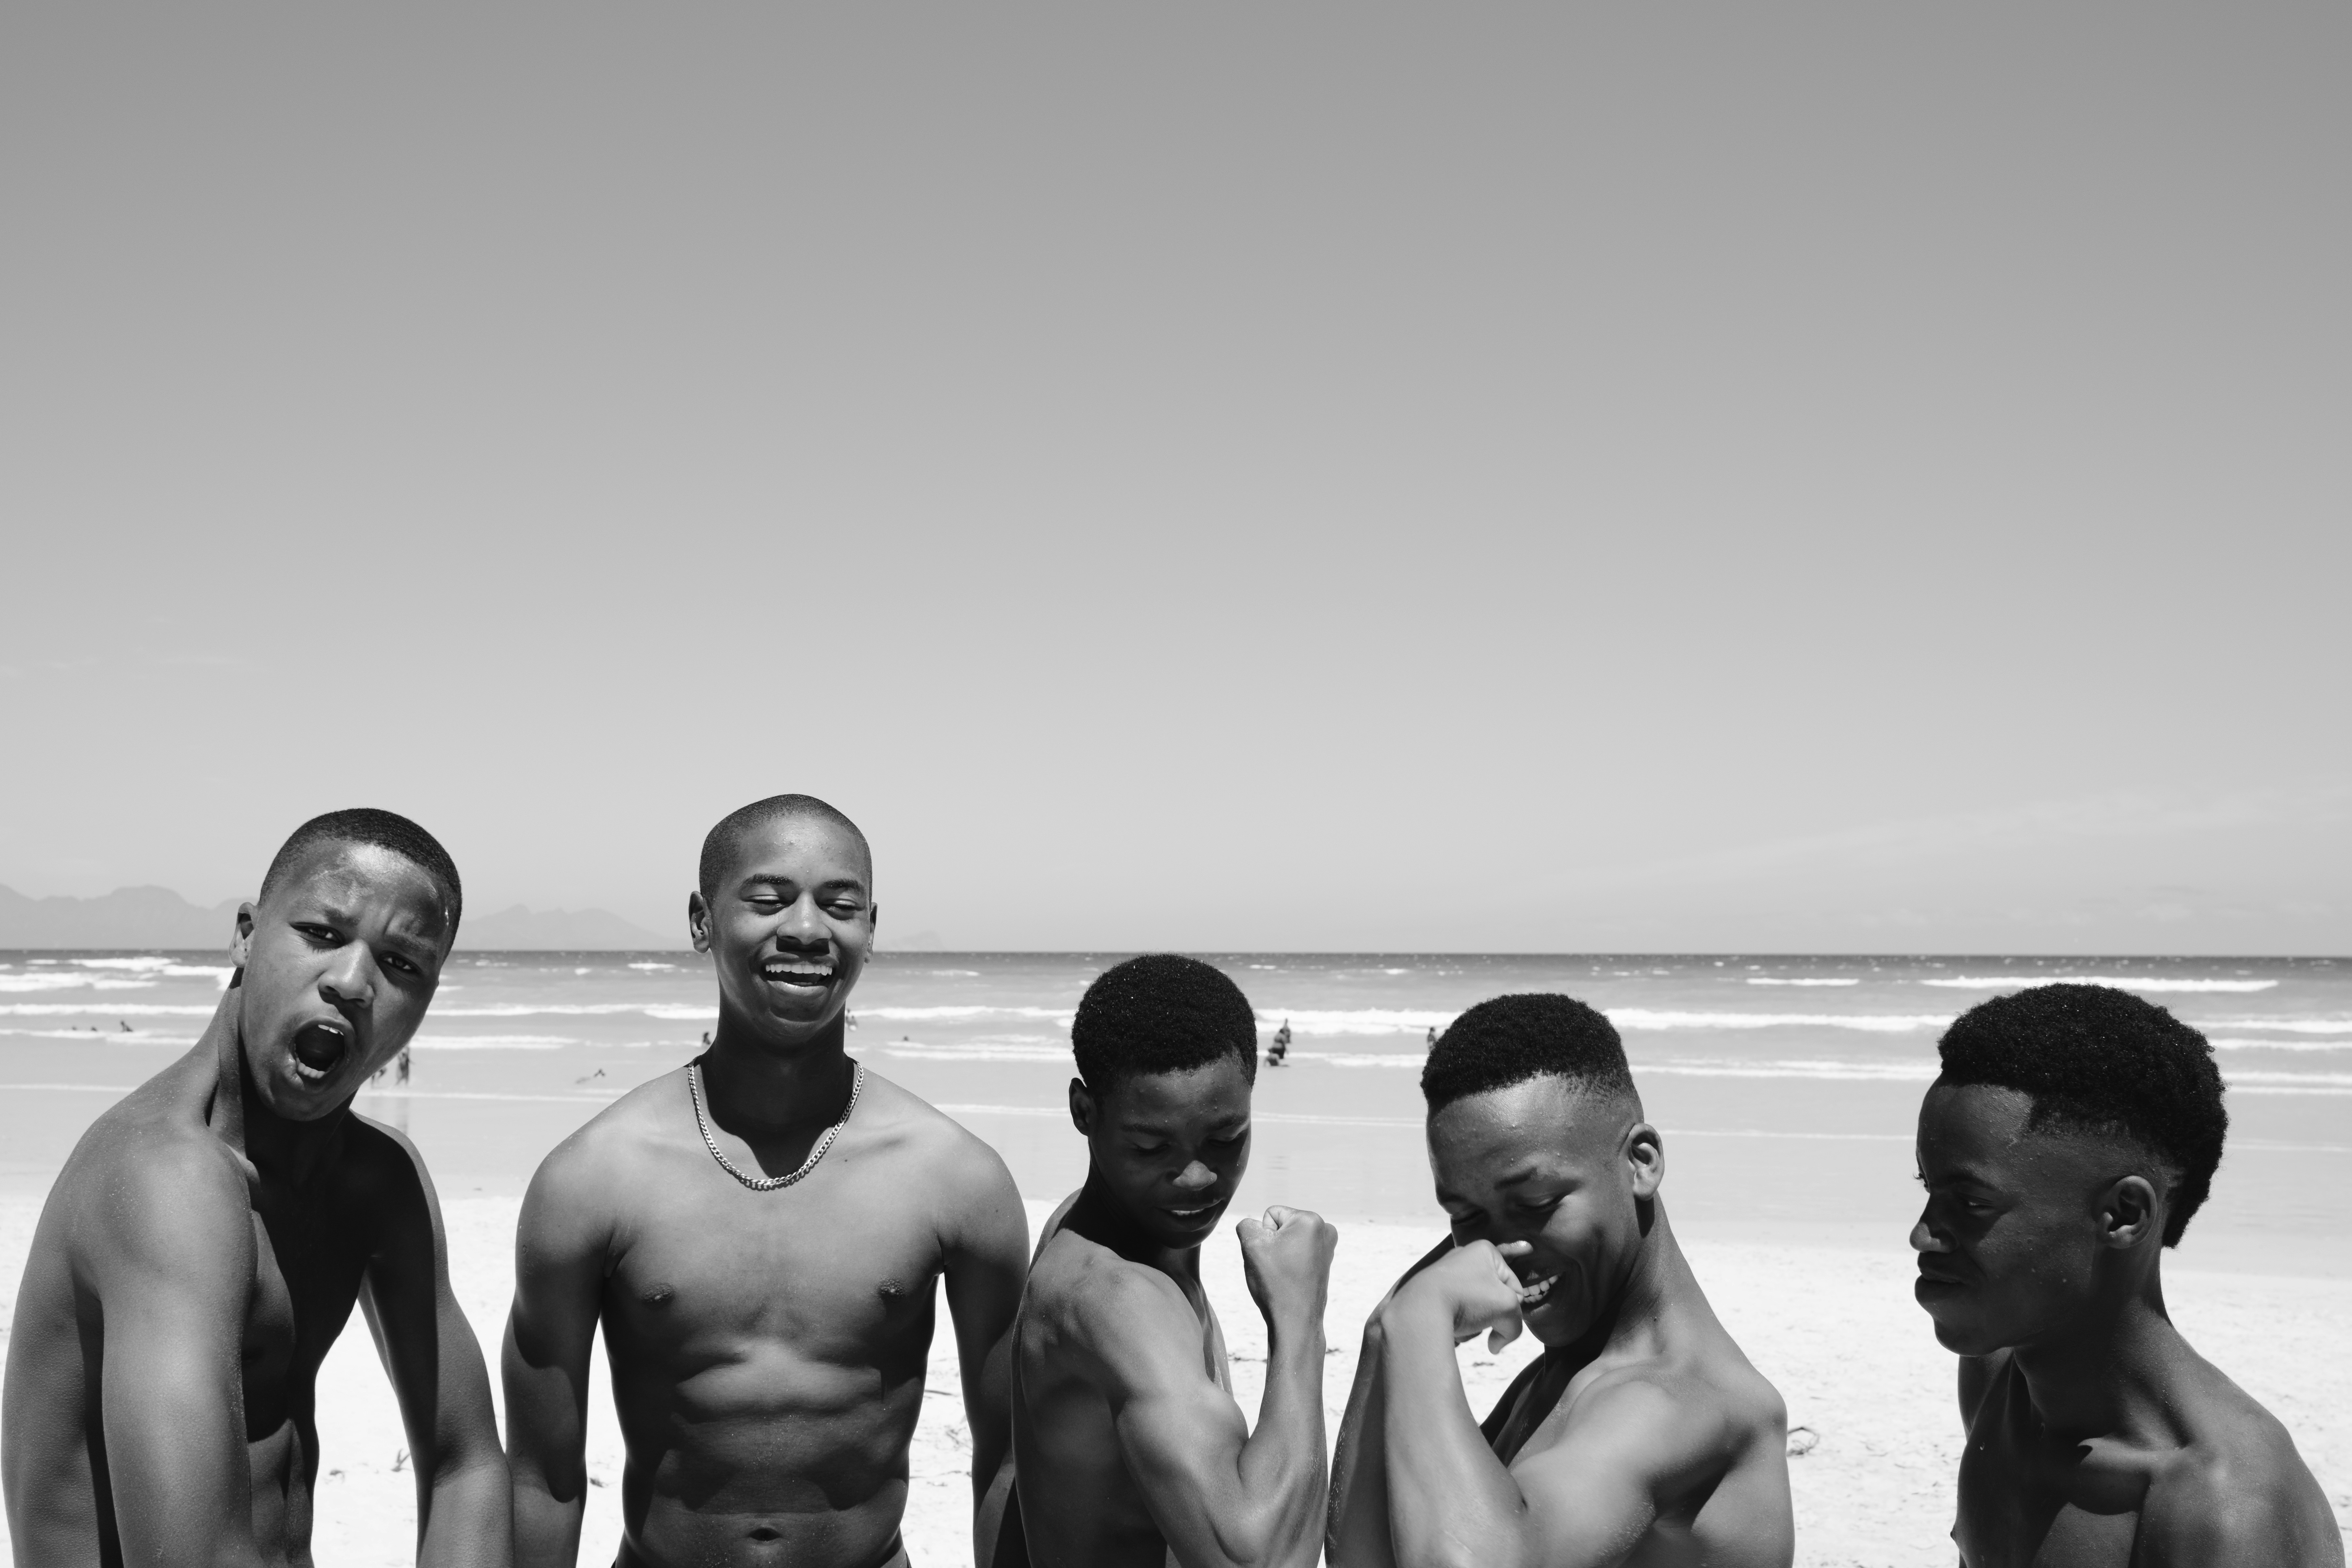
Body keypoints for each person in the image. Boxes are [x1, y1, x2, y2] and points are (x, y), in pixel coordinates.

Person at [505, 794, 1029, 1568]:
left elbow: (1011, 1463)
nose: (810, 930)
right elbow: (541, 1481)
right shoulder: (592, 1179)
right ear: (701, 920)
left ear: (872, 930)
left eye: (841, 906)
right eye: (769, 900)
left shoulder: (956, 1178)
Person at [1, 808, 509, 1566]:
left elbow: (468, 1464)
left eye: (403, 965)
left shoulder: (376, 1184)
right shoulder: (165, 1181)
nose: (352, 982)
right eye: (322, 934)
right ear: (245, 933)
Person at [1328, 993, 1792, 1568]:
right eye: (1467, 1218)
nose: (1503, 1248)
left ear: (1640, 1162)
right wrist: (1384, 1334)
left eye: (1537, 1202)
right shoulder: (1566, 1373)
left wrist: (1421, 1315)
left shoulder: (1683, 1400)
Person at [1911, 984, 2341, 1565]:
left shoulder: (2220, 1511)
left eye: (1971, 1203)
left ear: (2123, 1215)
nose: (1922, 1234)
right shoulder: (2001, 1380)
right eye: (1929, 1190)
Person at [1013, 954, 1337, 1568]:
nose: (1195, 1178)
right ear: (1085, 1113)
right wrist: (1300, 1320)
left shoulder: (1089, 1224)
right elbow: (1262, 1561)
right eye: (1150, 1146)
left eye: (1225, 1140)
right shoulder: (1118, 1297)